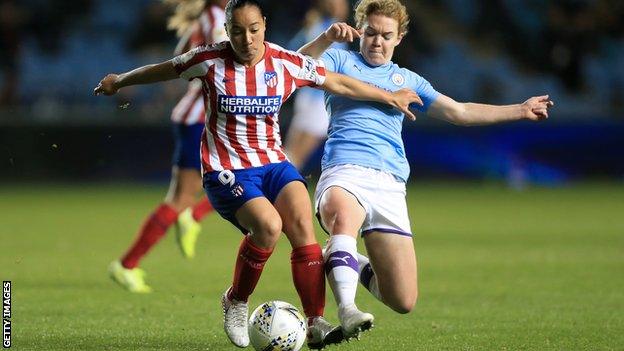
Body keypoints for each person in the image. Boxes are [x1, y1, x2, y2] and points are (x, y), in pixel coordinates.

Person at [94, 0, 422, 348]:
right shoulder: (208, 60)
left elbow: (339, 83)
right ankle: (235, 300)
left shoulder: (284, 62)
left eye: (253, 30)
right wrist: (119, 80)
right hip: (227, 169)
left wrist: (389, 96)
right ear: (227, 30)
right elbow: (164, 68)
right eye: (237, 31)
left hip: (272, 164)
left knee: (301, 225)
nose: (246, 39)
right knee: (268, 227)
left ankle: (315, 322)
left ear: (264, 26)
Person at [297, 0, 555, 340]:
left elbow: (460, 111)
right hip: (344, 171)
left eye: (386, 35)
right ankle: (347, 308)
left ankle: (341, 256)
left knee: (402, 299)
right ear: (360, 31)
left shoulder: (408, 80)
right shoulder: (340, 59)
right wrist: (326, 39)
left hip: (389, 183)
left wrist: (520, 110)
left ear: (400, 38)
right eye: (371, 32)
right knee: (344, 218)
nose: (377, 41)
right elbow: (297, 66)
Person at [108, 0, 228, 294]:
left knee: (239, 177)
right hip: (201, 117)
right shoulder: (215, 15)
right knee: (185, 197)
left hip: (196, 116)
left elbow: (180, 56)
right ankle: (127, 264)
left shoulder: (205, 16)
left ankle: (131, 261)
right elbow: (224, 48)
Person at [283, 0, 349, 169]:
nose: (342, 6)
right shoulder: (328, 28)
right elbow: (292, 54)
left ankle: (274, 188)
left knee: (291, 154)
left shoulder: (326, 27)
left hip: (310, 96)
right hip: (318, 99)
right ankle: (281, 189)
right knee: (295, 155)